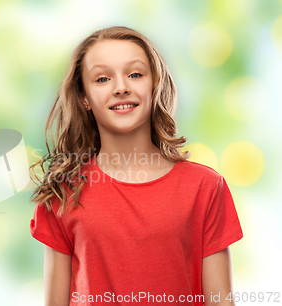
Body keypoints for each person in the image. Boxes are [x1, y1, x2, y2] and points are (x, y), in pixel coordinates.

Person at [28, 26, 243, 306]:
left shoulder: (205, 187)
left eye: (135, 74)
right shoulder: (64, 191)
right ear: (84, 97)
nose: (121, 87)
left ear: (154, 85)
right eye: (103, 78)